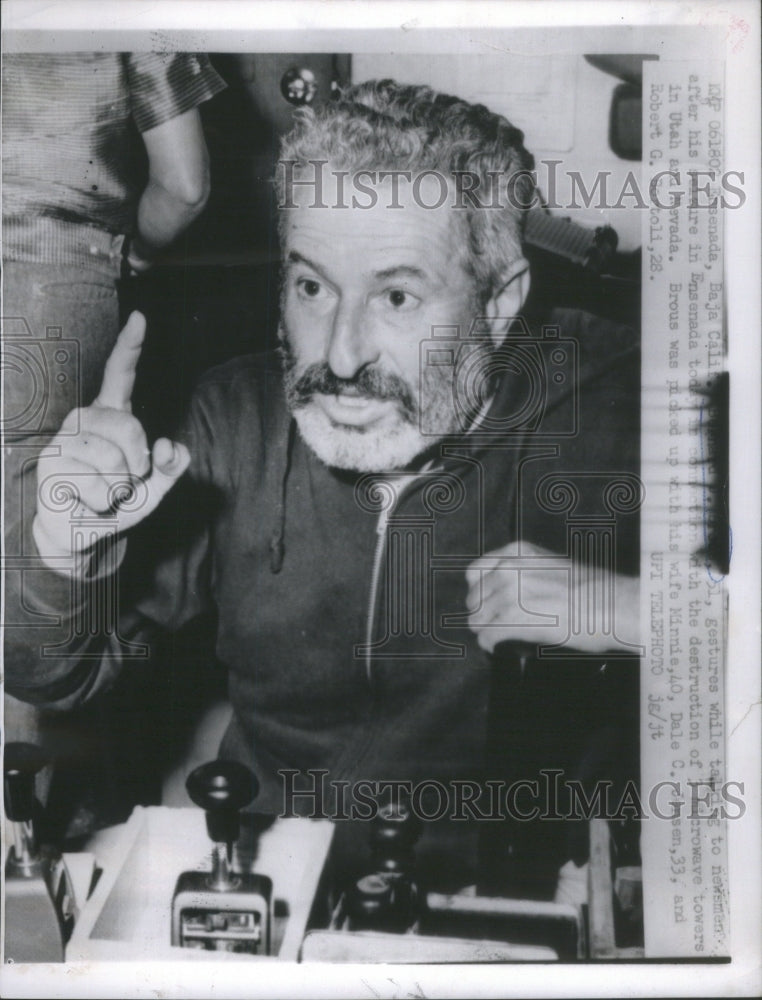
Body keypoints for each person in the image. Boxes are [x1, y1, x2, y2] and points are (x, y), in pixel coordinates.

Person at [5, 80, 641, 901]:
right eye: (310, 287)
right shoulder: (234, 417)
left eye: (397, 296)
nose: (340, 357)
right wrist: (62, 546)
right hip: (269, 881)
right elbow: (56, 678)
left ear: (501, 301)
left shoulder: (624, 408)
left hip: (512, 904)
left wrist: (638, 609)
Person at [2, 50, 226, 765]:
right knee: (31, 559)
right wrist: (135, 256)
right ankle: (20, 843)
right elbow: (185, 187)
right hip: (56, 294)